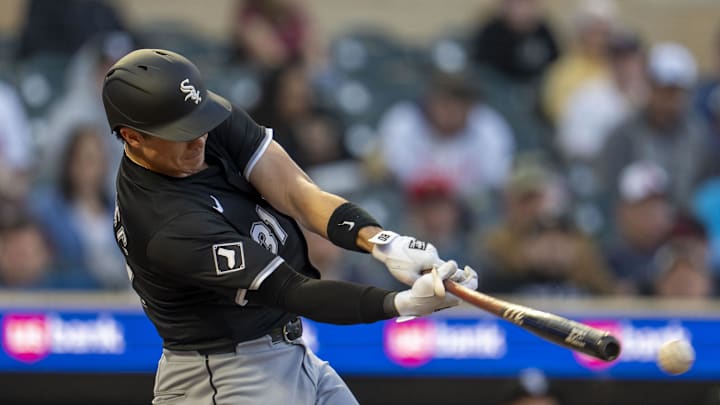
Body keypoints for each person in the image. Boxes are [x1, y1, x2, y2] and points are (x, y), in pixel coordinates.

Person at [102, 49, 478, 404]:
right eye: (182, 131)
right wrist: (400, 303)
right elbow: (291, 289)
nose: (200, 136)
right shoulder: (164, 224)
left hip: (286, 350)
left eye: (199, 120)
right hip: (223, 376)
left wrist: (381, 242)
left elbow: (297, 192)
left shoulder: (198, 118)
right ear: (132, 137)